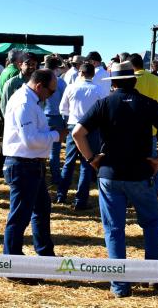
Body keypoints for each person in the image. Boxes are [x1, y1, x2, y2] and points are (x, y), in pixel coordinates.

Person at [72, 61, 158, 298]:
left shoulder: (104, 104)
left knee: (114, 228)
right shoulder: (147, 104)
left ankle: (120, 285)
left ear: (114, 82)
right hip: (140, 174)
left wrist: (91, 159)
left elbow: (77, 133)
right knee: (150, 224)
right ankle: (154, 276)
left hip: (110, 174)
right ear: (134, 80)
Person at [2, 69, 67, 259]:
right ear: (39, 86)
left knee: (40, 210)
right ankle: (12, 261)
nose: (52, 95)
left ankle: (45, 255)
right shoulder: (24, 103)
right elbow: (30, 140)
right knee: (20, 217)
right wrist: (56, 136)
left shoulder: (30, 100)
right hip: (23, 165)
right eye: (52, 91)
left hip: (30, 164)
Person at [57, 62, 108, 209]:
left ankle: (61, 195)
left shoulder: (71, 87)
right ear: (93, 74)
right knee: (87, 164)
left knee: (69, 163)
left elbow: (63, 109)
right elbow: (103, 112)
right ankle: (80, 201)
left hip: (74, 126)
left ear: (80, 72)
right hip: (92, 128)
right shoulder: (98, 89)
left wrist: (69, 122)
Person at [130, 53, 158, 192]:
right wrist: (156, 118)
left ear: (130, 66)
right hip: (151, 131)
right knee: (153, 164)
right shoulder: (156, 80)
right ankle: (153, 192)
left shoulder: (129, 80)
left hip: (131, 131)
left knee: (131, 164)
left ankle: (132, 195)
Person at [43, 57, 68, 185]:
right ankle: (56, 177)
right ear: (56, 68)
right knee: (55, 151)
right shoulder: (61, 82)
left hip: (42, 117)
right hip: (57, 117)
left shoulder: (39, 79)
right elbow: (66, 103)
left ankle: (41, 175)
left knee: (40, 148)